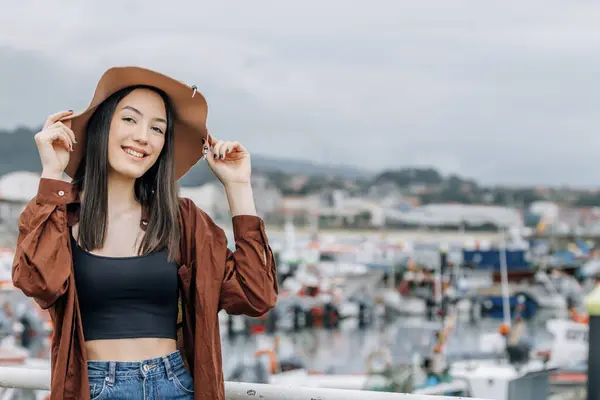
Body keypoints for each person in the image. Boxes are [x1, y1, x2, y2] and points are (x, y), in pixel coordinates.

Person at [11, 66, 278, 400]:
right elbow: (38, 282)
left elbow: (256, 294)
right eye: (129, 120)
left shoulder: (183, 220)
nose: (143, 137)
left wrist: (238, 187)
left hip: (175, 384)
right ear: (101, 126)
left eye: (157, 128)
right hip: (94, 387)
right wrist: (52, 173)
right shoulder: (61, 217)